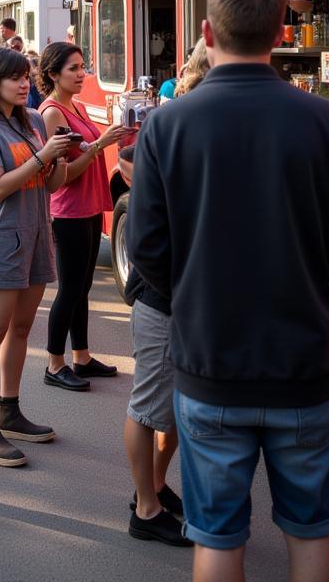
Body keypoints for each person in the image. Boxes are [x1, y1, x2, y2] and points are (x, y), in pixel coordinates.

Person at [127, 0, 329, 582]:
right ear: (277, 33)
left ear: (208, 33)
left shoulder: (167, 125)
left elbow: (148, 252)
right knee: (313, 529)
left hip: (209, 365)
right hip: (304, 363)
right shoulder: (325, 122)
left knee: (217, 538)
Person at [0, 47, 73, 468]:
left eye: (26, 76)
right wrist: (44, 156)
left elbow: (54, 183)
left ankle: (10, 410)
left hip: (39, 232)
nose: (25, 83)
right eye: (15, 78)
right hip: (3, 238)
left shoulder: (30, 121)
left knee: (22, 329)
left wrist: (60, 156)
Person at [37, 42, 132, 392]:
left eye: (82, 67)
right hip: (69, 211)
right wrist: (100, 144)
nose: (82, 74)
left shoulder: (73, 105)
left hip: (89, 207)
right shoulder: (51, 113)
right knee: (70, 289)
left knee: (83, 287)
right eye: (73, 69)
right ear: (52, 74)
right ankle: (54, 363)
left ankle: (81, 355)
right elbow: (63, 174)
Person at [119, 146, 191, 548]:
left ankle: (155, 486)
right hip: (161, 309)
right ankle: (145, 510)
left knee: (174, 409)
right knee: (146, 409)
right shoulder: (169, 147)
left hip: (177, 309)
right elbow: (125, 159)